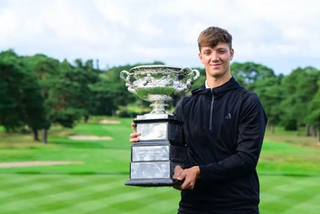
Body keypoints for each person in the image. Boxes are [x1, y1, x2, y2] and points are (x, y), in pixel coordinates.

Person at [130, 26, 267, 214]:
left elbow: (246, 159)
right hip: (193, 206)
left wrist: (198, 171)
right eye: (208, 52)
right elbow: (175, 151)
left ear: (231, 53)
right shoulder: (186, 105)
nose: (215, 58)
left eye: (221, 51)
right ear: (200, 57)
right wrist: (148, 138)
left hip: (238, 205)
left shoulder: (248, 101)